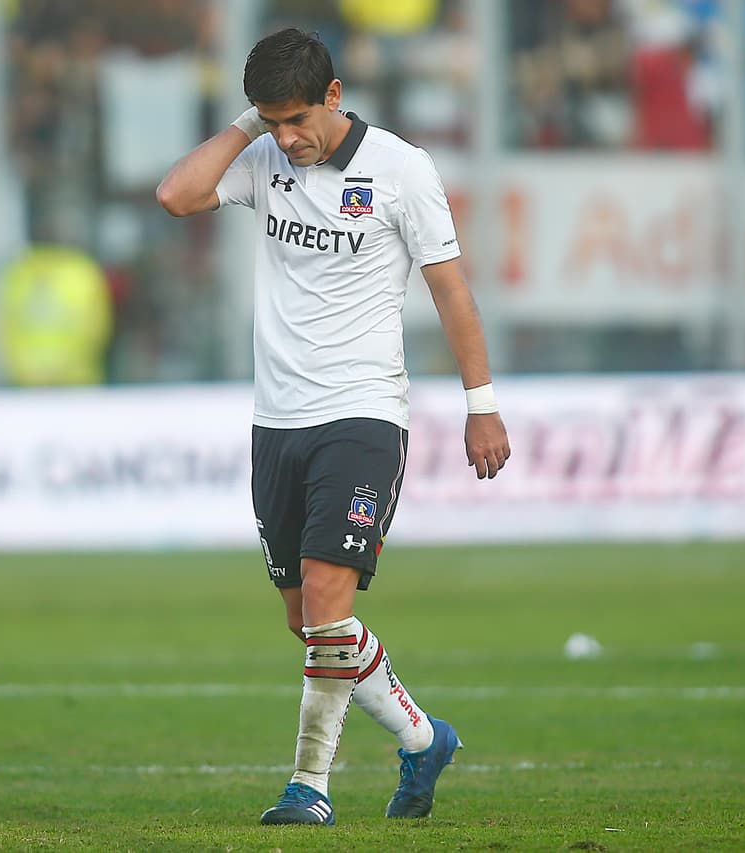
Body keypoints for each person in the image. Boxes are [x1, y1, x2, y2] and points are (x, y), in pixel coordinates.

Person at [156, 28, 510, 824]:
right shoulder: (267, 155)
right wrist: (253, 126)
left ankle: (309, 784)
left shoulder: (401, 170)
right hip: (275, 419)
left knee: (324, 600)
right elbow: (176, 195)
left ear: (336, 96)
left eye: (297, 119)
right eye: (270, 120)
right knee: (307, 618)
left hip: (362, 411)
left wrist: (481, 404)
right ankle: (423, 738)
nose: (288, 137)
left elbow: (452, 292)